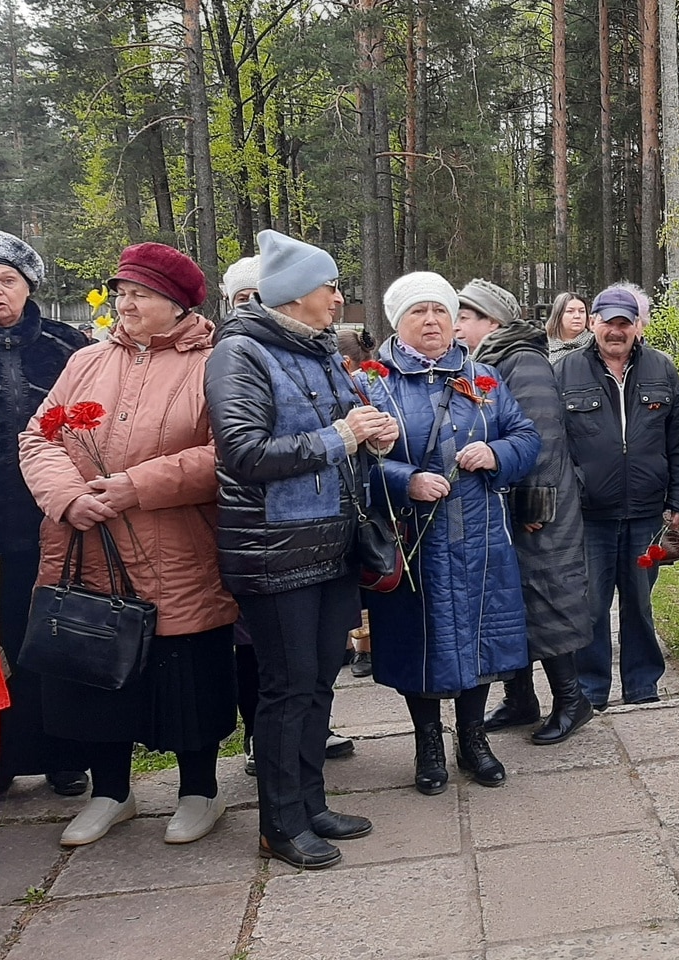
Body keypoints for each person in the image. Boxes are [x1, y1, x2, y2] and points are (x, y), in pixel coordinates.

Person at [19, 242, 239, 846]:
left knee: (187, 676)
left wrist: (134, 487)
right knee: (95, 673)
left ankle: (200, 792)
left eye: (140, 293)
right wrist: (70, 498)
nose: (126, 303)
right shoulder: (88, 360)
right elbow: (38, 438)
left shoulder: (215, 362)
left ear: (177, 305)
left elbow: (227, 453)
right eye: (122, 292)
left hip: (176, 549)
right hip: (86, 543)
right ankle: (112, 792)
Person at [205, 229, 397, 870]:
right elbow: (244, 452)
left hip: (331, 544)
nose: (340, 298)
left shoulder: (318, 351)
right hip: (275, 550)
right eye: (331, 286)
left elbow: (343, 426)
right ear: (293, 296)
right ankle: (278, 824)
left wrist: (374, 433)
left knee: (318, 684)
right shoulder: (239, 354)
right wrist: (340, 437)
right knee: (286, 690)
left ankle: (310, 804)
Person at [363, 271, 539, 796]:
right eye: (419, 312)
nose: (433, 320)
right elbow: (350, 462)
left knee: (481, 637)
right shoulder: (372, 384)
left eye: (441, 310)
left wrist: (497, 454)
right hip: (413, 539)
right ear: (398, 322)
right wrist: (405, 480)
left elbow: (527, 437)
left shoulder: (483, 379)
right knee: (420, 643)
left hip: (481, 535)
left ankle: (473, 738)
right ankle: (427, 744)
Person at [454, 279, 594, 744]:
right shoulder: (490, 361)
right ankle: (520, 699)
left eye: (465, 318)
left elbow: (543, 438)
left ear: (492, 321)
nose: (456, 327)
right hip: (511, 502)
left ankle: (573, 701)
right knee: (512, 602)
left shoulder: (524, 362)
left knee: (548, 598)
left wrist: (530, 502)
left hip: (539, 507)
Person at [554, 285, 679, 710]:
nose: (616, 331)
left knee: (640, 601)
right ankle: (590, 689)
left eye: (624, 323)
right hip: (589, 516)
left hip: (647, 515)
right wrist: (566, 498)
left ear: (636, 326)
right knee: (591, 603)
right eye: (608, 322)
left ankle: (642, 685)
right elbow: (554, 445)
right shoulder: (564, 372)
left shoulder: (662, 369)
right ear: (592, 324)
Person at [0, 229, 90, 800]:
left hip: (57, 522)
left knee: (55, 637)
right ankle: (0, 758)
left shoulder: (65, 345)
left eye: (8, 280)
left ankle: (64, 754)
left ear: (30, 286)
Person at [337, 327, 376, 680]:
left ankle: (363, 645)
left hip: (361, 490)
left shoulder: (364, 385)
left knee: (363, 577)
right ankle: (354, 643)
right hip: (352, 492)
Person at [545, 292, 591, 362]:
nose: (577, 316)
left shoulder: (596, 344)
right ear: (558, 315)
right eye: (570, 311)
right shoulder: (543, 345)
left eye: (582, 311)